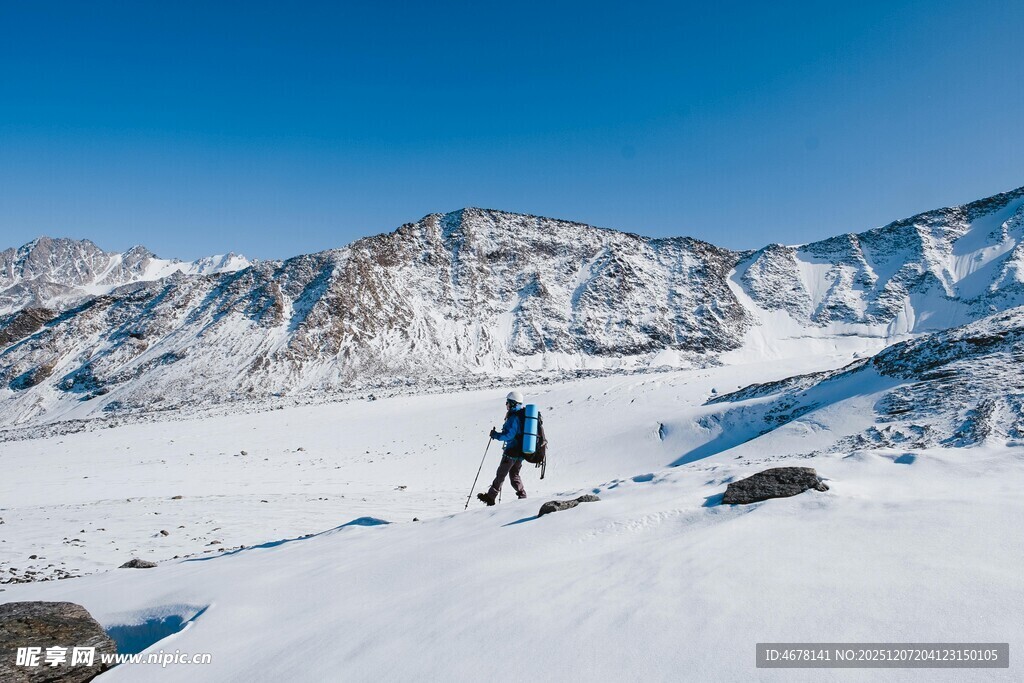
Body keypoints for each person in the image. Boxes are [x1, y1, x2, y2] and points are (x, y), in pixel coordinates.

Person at [477, 390, 528, 506]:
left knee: (501, 474)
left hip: (511, 452)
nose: (506, 405)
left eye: (508, 403)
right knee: (514, 475)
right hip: (520, 453)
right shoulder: (522, 416)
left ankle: (491, 497)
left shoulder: (514, 417)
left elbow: (508, 435)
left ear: (513, 403)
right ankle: (522, 495)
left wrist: (495, 435)